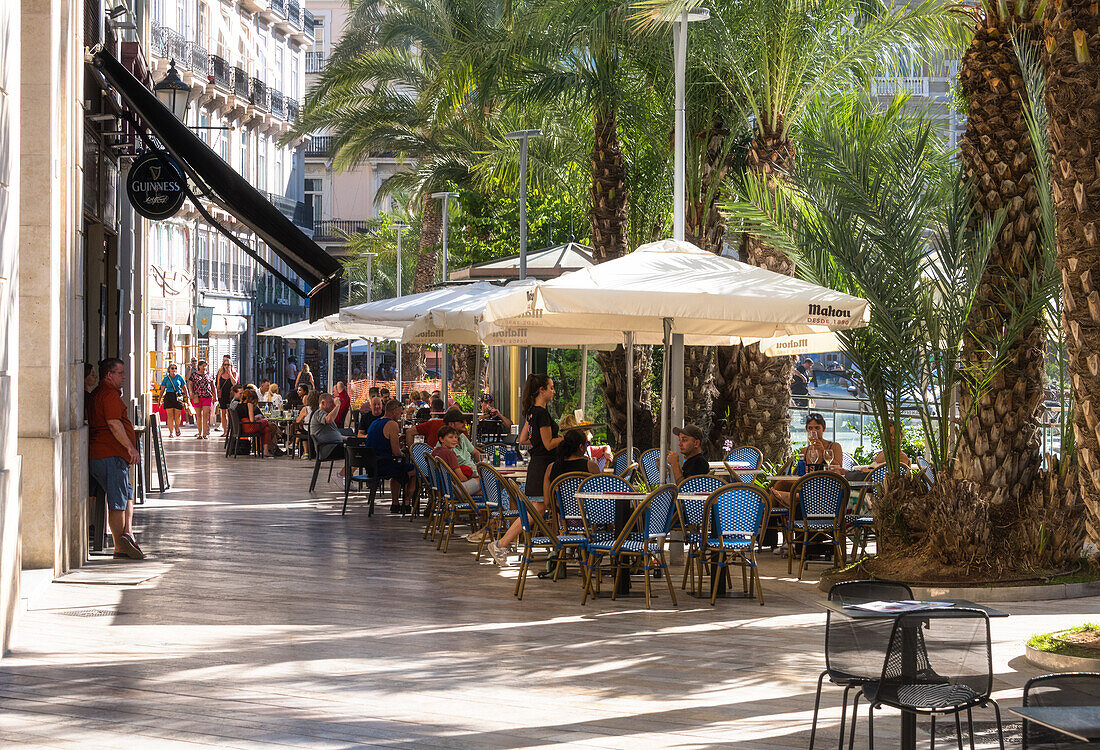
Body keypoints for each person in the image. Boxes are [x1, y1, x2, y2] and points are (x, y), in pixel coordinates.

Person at [488, 374, 562, 566]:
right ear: (541, 390)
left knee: (538, 509)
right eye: (551, 387)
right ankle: (501, 543)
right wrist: (567, 436)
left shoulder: (531, 412)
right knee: (536, 510)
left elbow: (523, 440)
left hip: (537, 465)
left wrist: (538, 441)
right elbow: (547, 444)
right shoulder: (542, 414)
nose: (554, 391)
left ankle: (504, 544)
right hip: (544, 467)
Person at [88, 358, 144, 560]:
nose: (124, 376)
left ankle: (127, 534)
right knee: (117, 501)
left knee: (126, 494)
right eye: (120, 373)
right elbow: (113, 423)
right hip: (109, 454)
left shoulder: (100, 393)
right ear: (109, 375)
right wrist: (130, 448)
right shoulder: (108, 395)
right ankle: (120, 546)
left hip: (108, 455)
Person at [769, 412, 845, 511]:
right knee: (780, 484)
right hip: (807, 483)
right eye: (810, 428)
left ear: (824, 428)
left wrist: (823, 451)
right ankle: (773, 518)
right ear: (806, 430)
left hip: (826, 485)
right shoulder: (804, 451)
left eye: (817, 428)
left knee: (779, 488)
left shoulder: (833, 446)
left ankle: (784, 503)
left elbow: (838, 467)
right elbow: (797, 474)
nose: (814, 431)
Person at [366, 399, 417, 513]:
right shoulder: (392, 424)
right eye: (400, 413)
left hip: (371, 465)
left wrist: (398, 440)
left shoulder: (375, 422)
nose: (400, 416)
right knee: (414, 470)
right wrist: (404, 451)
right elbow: (396, 453)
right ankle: (407, 503)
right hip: (382, 466)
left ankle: (395, 504)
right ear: (394, 412)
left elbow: (382, 442)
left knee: (399, 470)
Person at [432, 426, 481, 496]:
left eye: (456, 437)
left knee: (483, 491)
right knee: (486, 481)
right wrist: (472, 478)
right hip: (453, 490)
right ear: (441, 439)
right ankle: (495, 505)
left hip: (441, 489)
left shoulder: (435, 451)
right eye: (450, 437)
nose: (455, 440)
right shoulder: (450, 453)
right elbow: (462, 478)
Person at [237, 388, 282, 457]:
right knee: (266, 422)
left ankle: (266, 450)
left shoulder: (239, 405)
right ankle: (268, 448)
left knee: (266, 429)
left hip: (242, 427)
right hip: (249, 427)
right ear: (252, 398)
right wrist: (257, 418)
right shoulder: (249, 404)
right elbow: (252, 420)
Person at [187, 359, 216, 440]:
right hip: (197, 397)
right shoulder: (194, 375)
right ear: (199, 366)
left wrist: (215, 396)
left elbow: (213, 386)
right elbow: (190, 384)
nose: (204, 367)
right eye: (202, 366)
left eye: (205, 366)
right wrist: (191, 392)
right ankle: (200, 433)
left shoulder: (209, 375)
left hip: (207, 396)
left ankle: (205, 433)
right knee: (198, 415)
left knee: (205, 415)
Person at [159, 363, 189, 438]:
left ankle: (177, 428)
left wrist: (187, 398)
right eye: (172, 368)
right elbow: (162, 390)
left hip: (178, 396)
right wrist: (159, 400)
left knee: (177, 415)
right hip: (169, 396)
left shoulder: (179, 377)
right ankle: (171, 432)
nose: (174, 370)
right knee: (170, 416)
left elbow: (185, 388)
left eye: (175, 368)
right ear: (169, 369)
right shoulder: (166, 378)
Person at [215, 356, 238, 434]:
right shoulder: (220, 373)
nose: (226, 366)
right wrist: (216, 395)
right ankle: (225, 432)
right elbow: (218, 385)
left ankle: (231, 431)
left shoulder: (234, 373)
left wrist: (230, 373)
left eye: (228, 365)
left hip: (231, 395)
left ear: (231, 365)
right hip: (223, 395)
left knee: (230, 413)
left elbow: (235, 383)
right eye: (225, 365)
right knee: (223, 413)